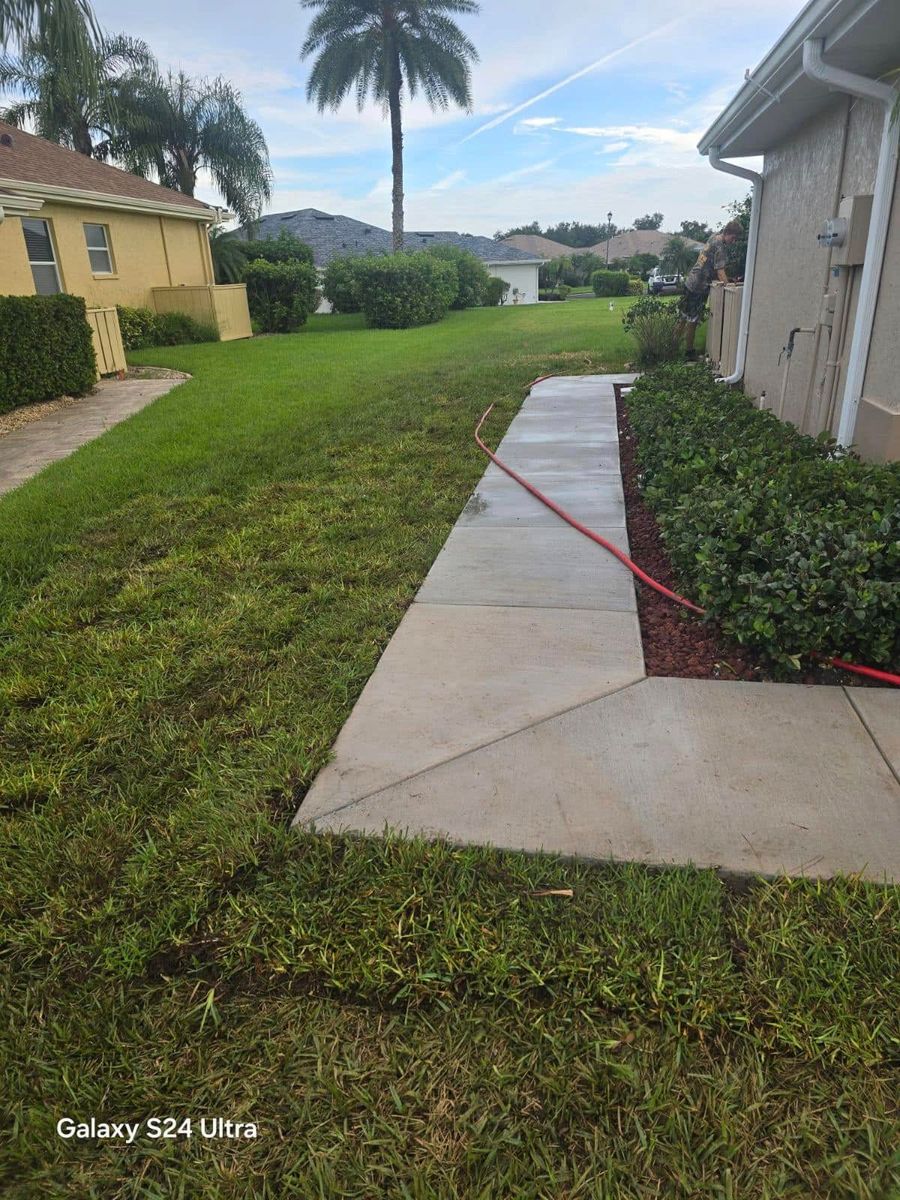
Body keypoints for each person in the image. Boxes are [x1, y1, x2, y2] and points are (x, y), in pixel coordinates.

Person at [677, 219, 743, 359]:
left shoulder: (713, 237)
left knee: (682, 317)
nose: (734, 241)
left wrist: (727, 279)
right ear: (728, 233)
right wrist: (729, 286)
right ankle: (688, 352)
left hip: (690, 282)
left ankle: (671, 347)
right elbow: (720, 272)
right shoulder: (720, 247)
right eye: (733, 238)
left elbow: (711, 265)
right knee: (692, 320)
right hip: (699, 287)